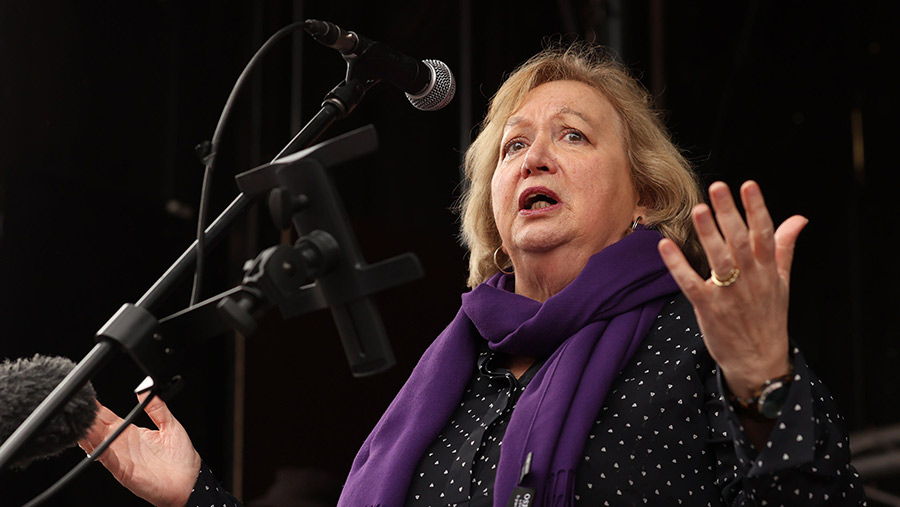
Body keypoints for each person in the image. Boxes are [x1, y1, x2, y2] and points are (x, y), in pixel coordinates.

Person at [78, 43, 865, 506]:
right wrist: (196, 495)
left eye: (574, 136)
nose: (537, 157)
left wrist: (766, 384)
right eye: (513, 146)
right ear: (491, 204)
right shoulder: (451, 377)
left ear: (644, 200)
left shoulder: (701, 341)